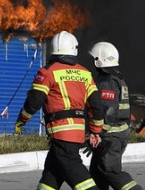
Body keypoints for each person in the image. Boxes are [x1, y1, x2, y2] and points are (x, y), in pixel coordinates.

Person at [15, 30, 105, 190]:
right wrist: (95, 131)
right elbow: (96, 106)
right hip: (76, 132)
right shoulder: (85, 73)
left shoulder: (48, 72)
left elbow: (34, 101)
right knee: (51, 176)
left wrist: (22, 120)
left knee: (77, 173)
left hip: (60, 132)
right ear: (74, 48)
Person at [87, 41, 144, 190]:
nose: (93, 62)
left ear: (100, 61)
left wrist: (97, 132)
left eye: (94, 59)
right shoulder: (118, 78)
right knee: (96, 173)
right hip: (116, 133)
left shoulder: (107, 82)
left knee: (110, 171)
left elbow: (108, 110)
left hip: (111, 135)